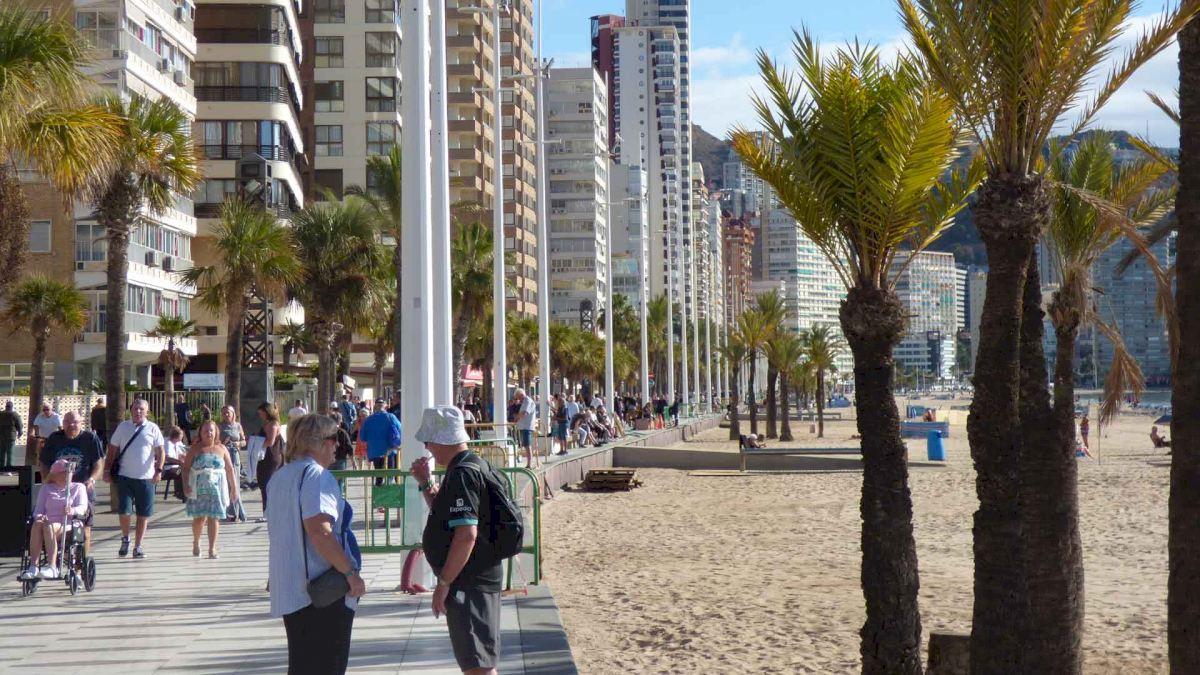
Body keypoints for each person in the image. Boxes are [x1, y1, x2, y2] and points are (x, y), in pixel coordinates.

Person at [267, 413, 365, 675]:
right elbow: (320, 532)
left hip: (291, 590)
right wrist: (350, 573)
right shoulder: (317, 476)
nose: (337, 445)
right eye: (334, 439)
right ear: (319, 442)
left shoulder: (280, 477)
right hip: (321, 592)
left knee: (302, 665)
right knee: (327, 665)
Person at [411, 406, 503, 675]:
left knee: (477, 665)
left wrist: (444, 583)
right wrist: (426, 483)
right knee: (478, 661)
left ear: (441, 440)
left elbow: (466, 535)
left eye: (428, 441)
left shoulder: (462, 474)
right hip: (475, 577)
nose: (427, 447)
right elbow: (447, 516)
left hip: (470, 580)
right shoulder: (469, 466)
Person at [104, 399, 165, 559]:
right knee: (124, 511)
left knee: (143, 514)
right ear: (130, 410)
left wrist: (158, 470)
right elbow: (112, 449)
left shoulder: (153, 428)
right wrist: (106, 469)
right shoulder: (123, 427)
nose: (138, 411)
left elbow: (160, 451)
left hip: (146, 478)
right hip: (125, 476)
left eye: (141, 409)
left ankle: (138, 546)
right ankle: (125, 538)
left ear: (147, 411)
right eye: (135, 408)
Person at [38, 411, 104, 554]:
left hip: (83, 490)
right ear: (63, 423)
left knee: (83, 531)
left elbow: (98, 464)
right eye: (67, 422)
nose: (71, 425)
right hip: (58, 490)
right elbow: (43, 463)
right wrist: (46, 480)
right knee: (54, 526)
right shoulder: (55, 439)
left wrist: (92, 479)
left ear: (81, 423)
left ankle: (81, 564)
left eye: (75, 422)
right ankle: (54, 560)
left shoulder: (90, 438)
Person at [19, 458, 88, 580]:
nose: (68, 475)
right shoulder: (46, 489)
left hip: (68, 524)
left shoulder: (78, 487)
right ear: (55, 475)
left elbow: (83, 508)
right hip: (47, 523)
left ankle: (52, 567)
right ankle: (33, 566)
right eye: (64, 473)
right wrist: (40, 516)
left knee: (48, 525)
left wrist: (72, 510)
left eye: (69, 472)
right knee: (37, 523)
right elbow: (38, 510)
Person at [184, 420, 239, 558]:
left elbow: (229, 469)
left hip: (217, 488)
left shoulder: (222, 448)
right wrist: (186, 485)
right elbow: (185, 469)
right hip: (198, 488)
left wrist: (234, 488)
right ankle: (196, 541)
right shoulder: (195, 449)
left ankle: (212, 548)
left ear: (216, 432)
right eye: (205, 431)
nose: (209, 433)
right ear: (201, 433)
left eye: (211, 430)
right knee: (199, 518)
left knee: (214, 517)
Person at [218, 406, 248, 523]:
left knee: (235, 484)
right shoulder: (219, 427)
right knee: (227, 485)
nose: (226, 415)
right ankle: (233, 513)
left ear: (233, 413)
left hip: (235, 456)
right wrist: (222, 443)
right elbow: (214, 442)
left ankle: (236, 513)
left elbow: (244, 441)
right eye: (224, 413)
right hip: (224, 456)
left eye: (228, 413)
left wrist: (238, 443)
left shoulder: (238, 426)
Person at [361, 399, 402, 485]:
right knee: (390, 477)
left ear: (375, 406)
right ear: (385, 406)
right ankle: (391, 496)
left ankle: (379, 494)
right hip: (389, 451)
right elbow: (401, 431)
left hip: (375, 453)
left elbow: (363, 438)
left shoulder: (368, 420)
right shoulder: (391, 417)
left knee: (379, 477)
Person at [255, 402, 285, 518]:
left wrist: (256, 443)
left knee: (267, 483)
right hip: (265, 456)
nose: (260, 416)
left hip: (271, 456)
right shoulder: (268, 423)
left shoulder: (273, 425)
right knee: (264, 483)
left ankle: (269, 511)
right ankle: (267, 510)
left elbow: (270, 442)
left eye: (261, 413)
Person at [513, 389, 536, 468]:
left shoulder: (527, 401)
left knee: (527, 445)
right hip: (524, 426)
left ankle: (529, 464)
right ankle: (529, 463)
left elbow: (524, 413)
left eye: (518, 397)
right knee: (526, 445)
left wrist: (516, 418)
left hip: (527, 426)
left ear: (521, 395)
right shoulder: (525, 402)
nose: (518, 399)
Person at [163, 426, 188, 501]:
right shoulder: (167, 443)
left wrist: (186, 457)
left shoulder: (178, 443)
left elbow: (181, 454)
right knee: (182, 471)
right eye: (181, 435)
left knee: (189, 469)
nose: (182, 437)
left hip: (176, 466)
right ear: (176, 436)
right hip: (167, 468)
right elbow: (167, 458)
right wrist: (180, 462)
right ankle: (180, 493)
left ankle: (183, 492)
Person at [0, 400, 21, 467]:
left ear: (5, 406)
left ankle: (1, 467)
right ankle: (9, 468)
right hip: (11, 436)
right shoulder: (14, 414)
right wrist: (20, 432)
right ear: (12, 407)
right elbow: (19, 425)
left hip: (1, 436)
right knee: (10, 453)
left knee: (1, 452)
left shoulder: (1, 414)